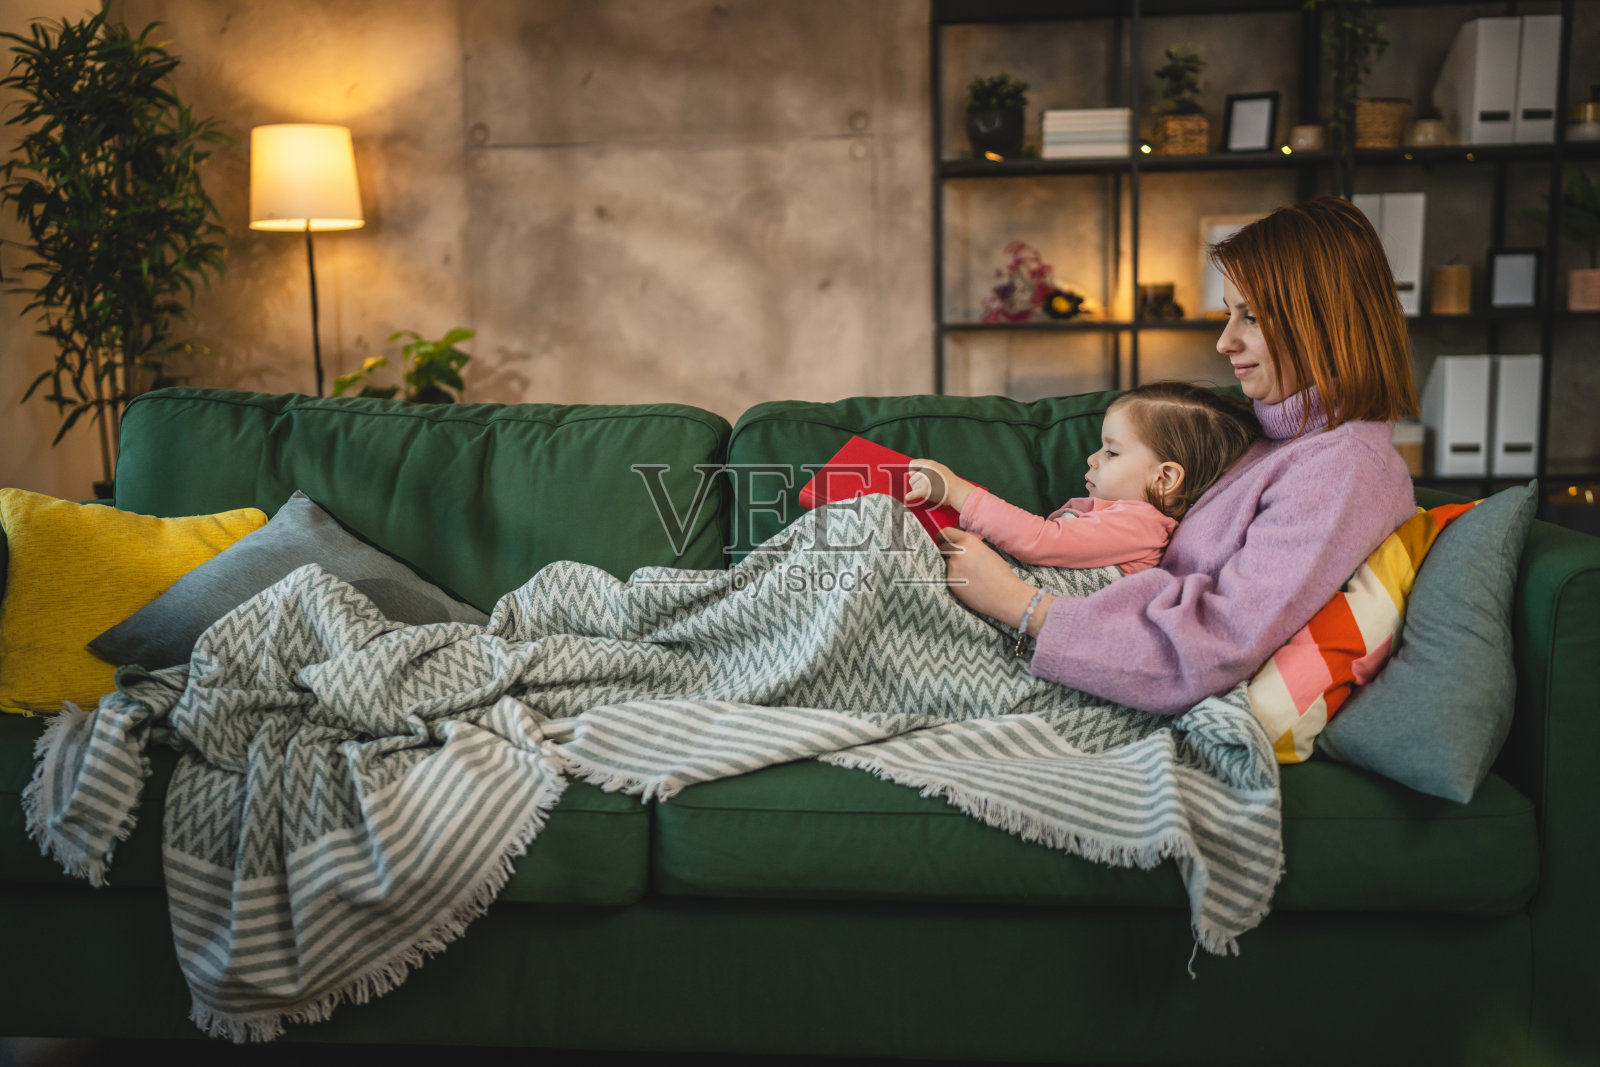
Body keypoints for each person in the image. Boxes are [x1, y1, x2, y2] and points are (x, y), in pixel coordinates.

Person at [933, 195, 1419, 715]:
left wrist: (1016, 603)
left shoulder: (1340, 470)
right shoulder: (1273, 434)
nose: (1224, 342)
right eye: (1229, 314)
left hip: (1090, 659)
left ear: (1326, 323)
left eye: (1251, 318)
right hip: (1079, 625)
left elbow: (1217, 647)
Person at [904, 381, 1260, 576]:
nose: (1092, 458)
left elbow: (1039, 541)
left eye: (1111, 452)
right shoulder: (1113, 518)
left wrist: (958, 492)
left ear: (1165, 478)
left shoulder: (1143, 525)